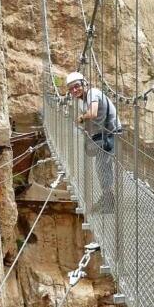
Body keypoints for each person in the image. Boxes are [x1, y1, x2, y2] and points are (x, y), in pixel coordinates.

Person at [66, 71, 119, 213]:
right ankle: (106, 196)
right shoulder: (84, 99)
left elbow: (93, 113)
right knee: (101, 167)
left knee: (103, 167)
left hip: (110, 134)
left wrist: (81, 118)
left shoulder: (92, 93)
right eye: (71, 89)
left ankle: (109, 202)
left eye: (77, 86)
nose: (74, 90)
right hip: (103, 134)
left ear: (85, 83)